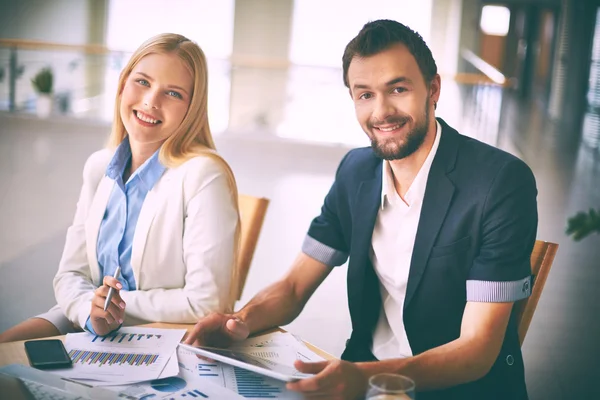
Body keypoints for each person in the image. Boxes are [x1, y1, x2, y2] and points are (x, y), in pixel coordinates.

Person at [185, 20, 537, 400]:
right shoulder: (356, 171)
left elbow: (476, 349)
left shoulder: (500, 183)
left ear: (432, 90)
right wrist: (238, 322)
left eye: (398, 89)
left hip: (455, 389)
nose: (381, 111)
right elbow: (293, 286)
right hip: (365, 376)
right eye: (364, 95)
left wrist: (366, 378)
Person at [0, 33, 240, 341]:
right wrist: (91, 311)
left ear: (191, 109)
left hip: (159, 334)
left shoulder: (204, 175)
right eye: (142, 82)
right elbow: (70, 274)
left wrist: (112, 307)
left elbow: (207, 303)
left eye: (174, 94)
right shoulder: (100, 166)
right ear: (123, 84)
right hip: (85, 320)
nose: (151, 101)